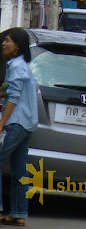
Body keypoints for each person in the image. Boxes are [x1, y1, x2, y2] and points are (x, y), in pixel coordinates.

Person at [0, 27, 38, 226]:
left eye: (7, 40)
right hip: (27, 125)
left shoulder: (16, 67)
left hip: (16, 123)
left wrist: (1, 123)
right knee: (18, 171)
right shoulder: (24, 65)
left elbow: (13, 98)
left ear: (17, 46)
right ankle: (18, 213)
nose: (4, 44)